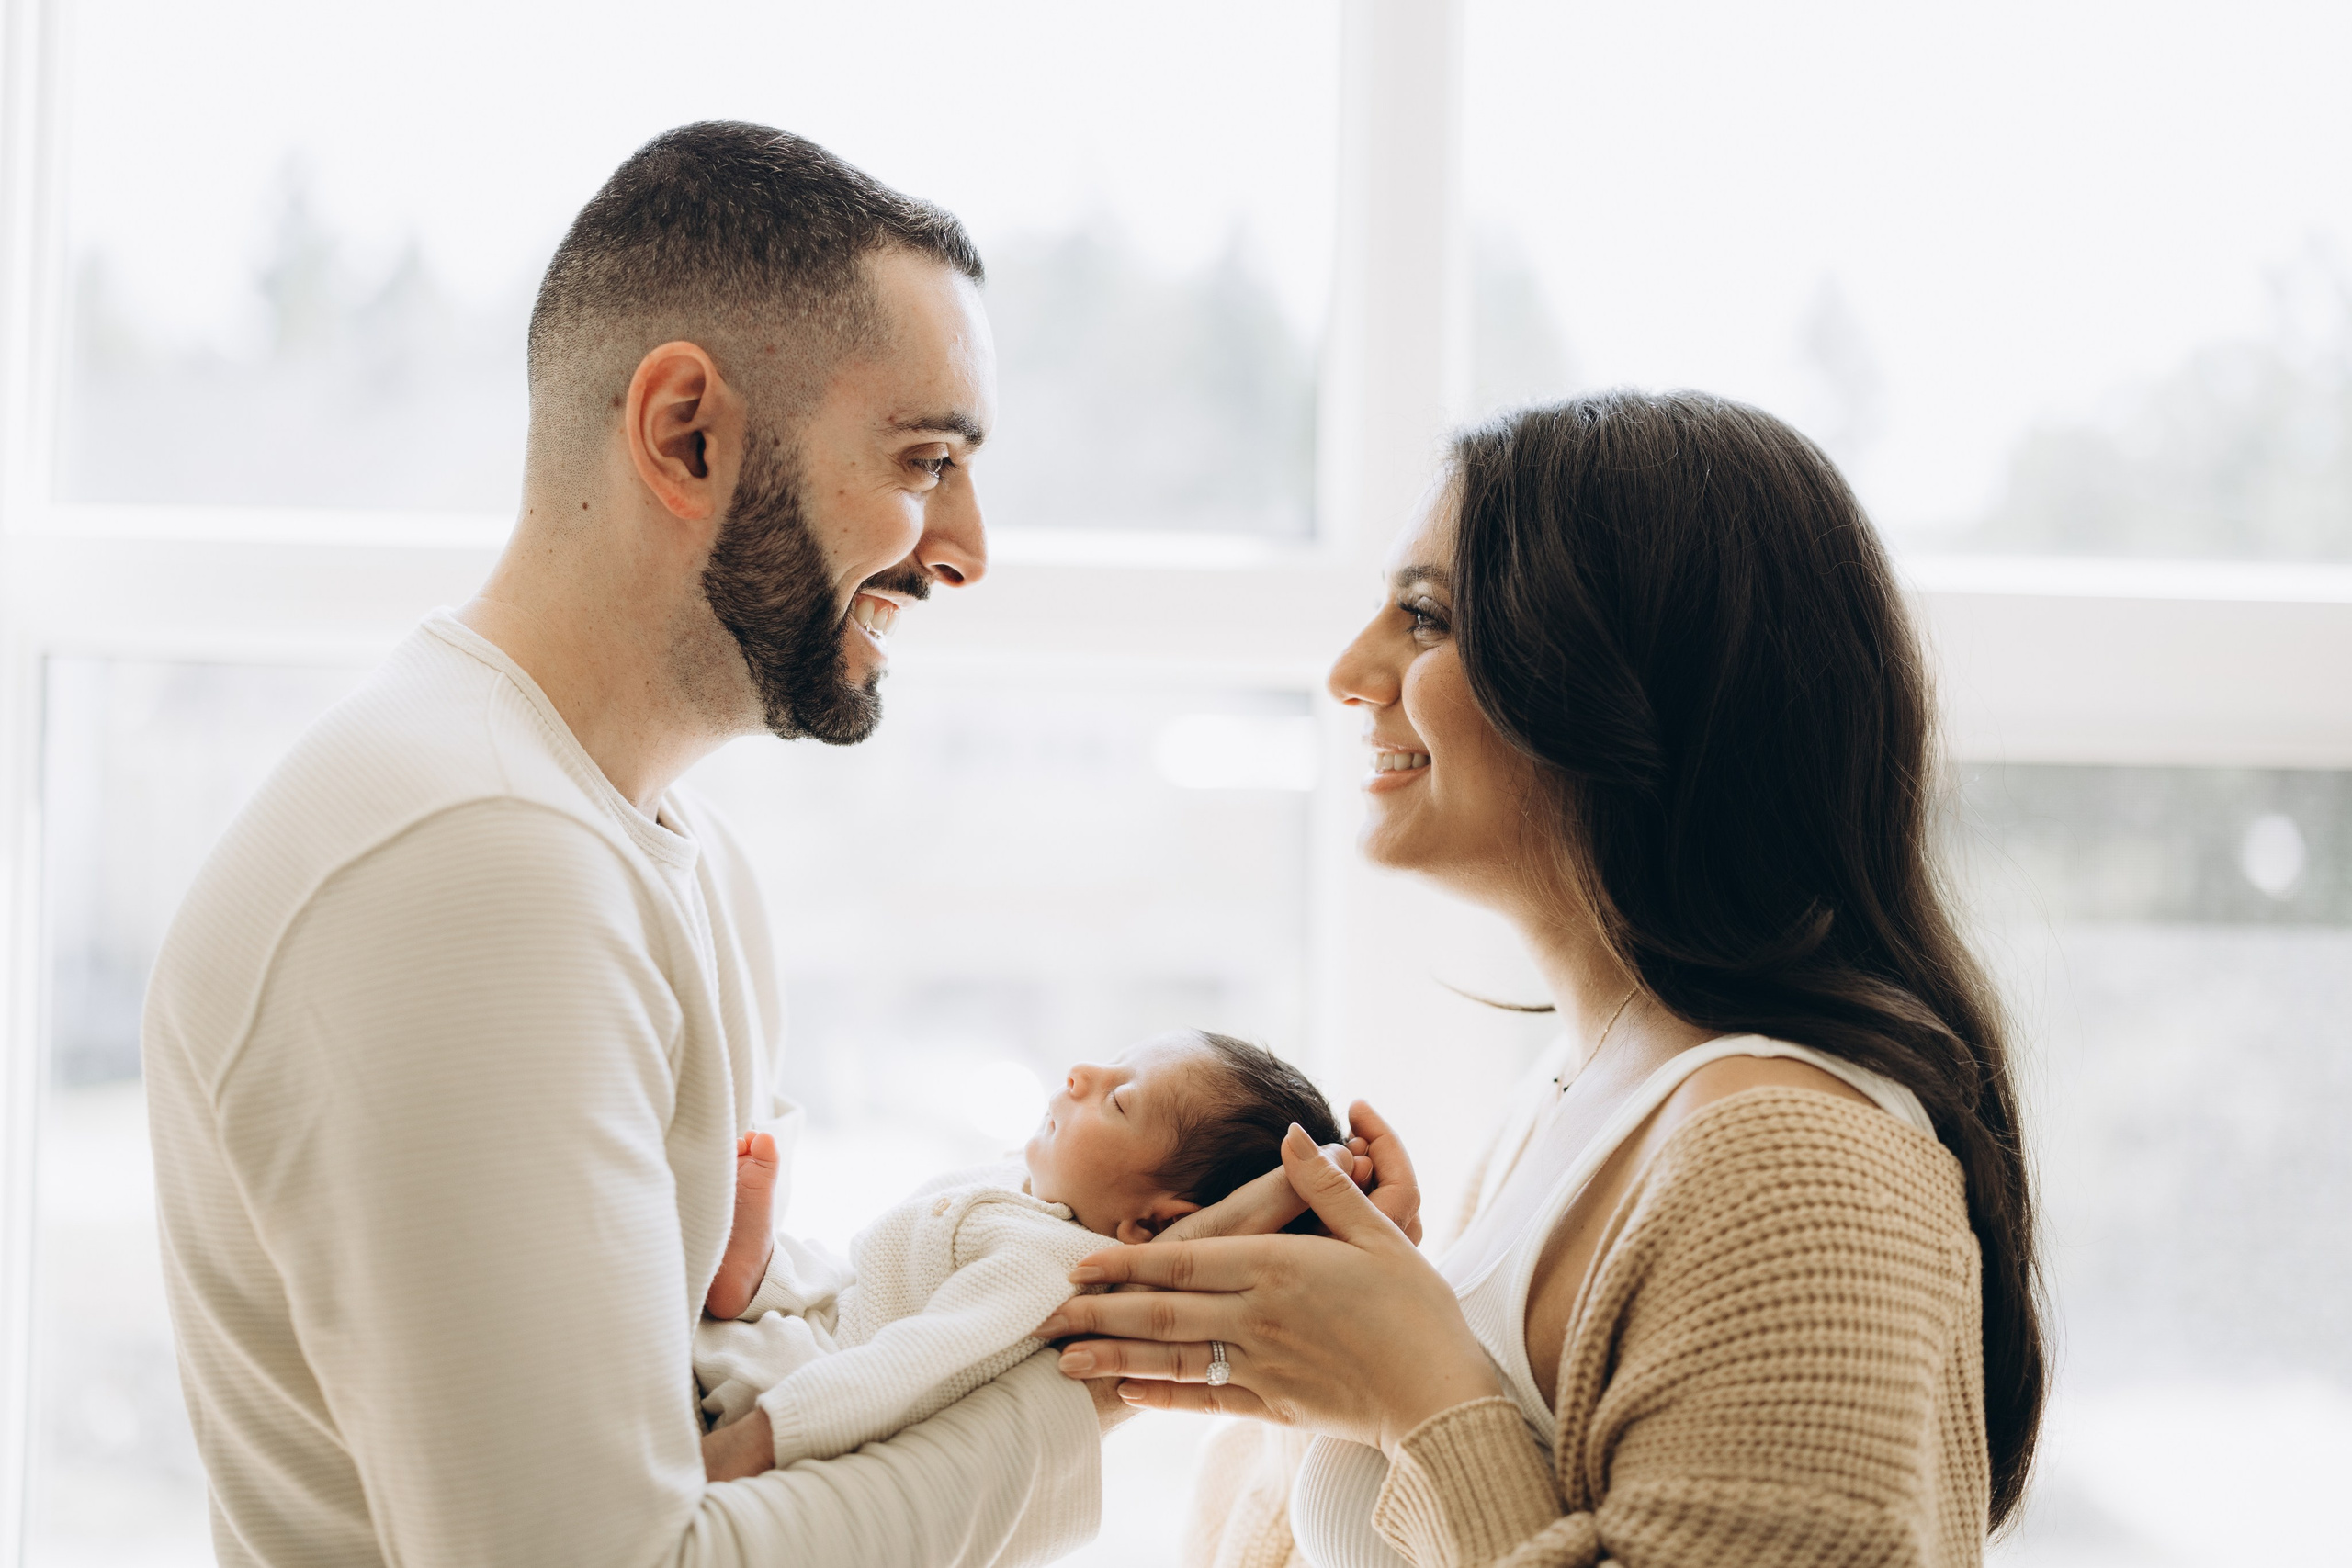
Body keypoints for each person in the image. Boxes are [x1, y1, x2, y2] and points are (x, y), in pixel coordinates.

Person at [143, 119, 1408, 1568]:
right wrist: (1106, 1364)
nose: (967, 548)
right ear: (688, 433)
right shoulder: (474, 868)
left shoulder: (658, 849)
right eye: (926, 458)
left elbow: (738, 1342)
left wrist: (1165, 1271)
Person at [1040, 391, 2049, 1567]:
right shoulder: (1570, 1101)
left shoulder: (1794, 1166)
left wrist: (1418, 1394)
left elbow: (1451, 1438)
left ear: (1622, 678)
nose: (1349, 672)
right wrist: (1322, 1352)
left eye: (1422, 618)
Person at [692, 1032, 1345, 1472]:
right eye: (1113, 1061)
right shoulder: (1040, 1190)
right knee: (815, 1268)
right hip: (834, 1301)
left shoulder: (1048, 1268)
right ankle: (755, 1274)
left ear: (1148, 1225)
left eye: (1119, 1100)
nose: (1080, 1073)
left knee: (748, 1349)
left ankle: (753, 1289)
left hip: (821, 1372)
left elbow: (906, 1368)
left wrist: (756, 1443)